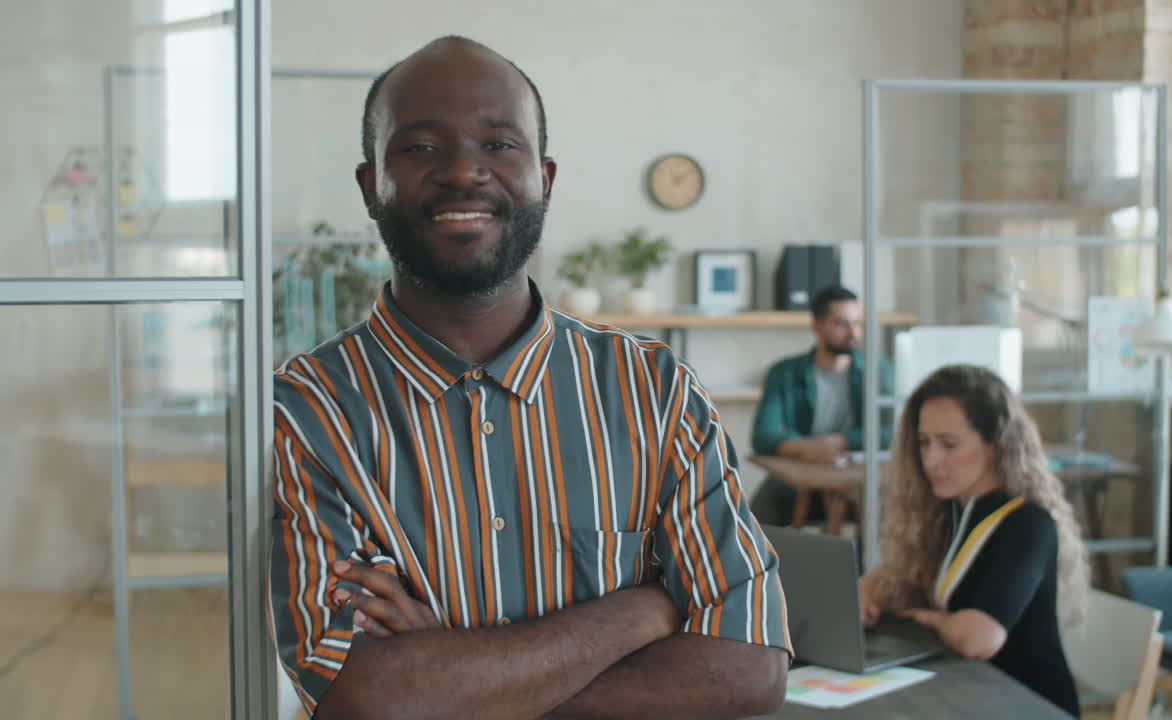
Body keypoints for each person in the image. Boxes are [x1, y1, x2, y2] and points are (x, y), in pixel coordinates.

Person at [270, 36, 790, 720]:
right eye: (422, 147)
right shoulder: (305, 413)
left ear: (544, 177)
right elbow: (362, 695)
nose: (464, 172)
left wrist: (454, 684)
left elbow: (749, 671)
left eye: (499, 145)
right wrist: (638, 614)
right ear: (372, 186)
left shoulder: (654, 391)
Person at [859, 364, 1089, 717]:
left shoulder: (1029, 523)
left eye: (949, 444)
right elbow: (888, 579)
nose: (931, 460)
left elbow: (977, 638)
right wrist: (866, 591)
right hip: (971, 696)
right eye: (924, 443)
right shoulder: (947, 513)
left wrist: (933, 619)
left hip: (1032, 705)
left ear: (995, 444)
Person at [749, 285, 894, 526]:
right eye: (842, 324)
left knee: (886, 517)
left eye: (858, 323)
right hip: (798, 474)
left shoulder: (878, 369)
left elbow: (892, 432)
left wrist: (840, 441)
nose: (854, 333)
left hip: (857, 476)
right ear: (816, 326)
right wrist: (806, 449)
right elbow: (763, 436)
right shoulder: (784, 372)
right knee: (759, 515)